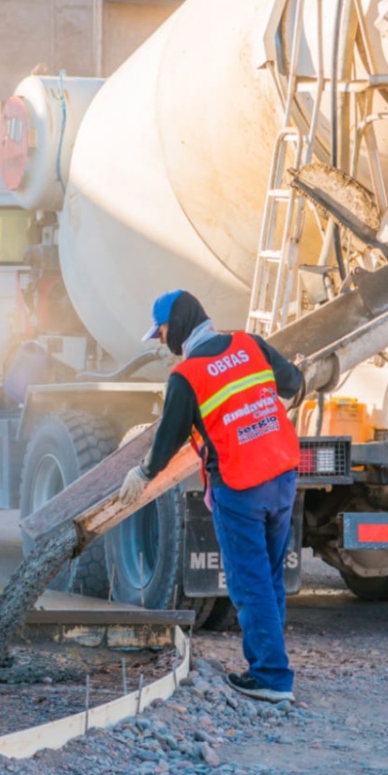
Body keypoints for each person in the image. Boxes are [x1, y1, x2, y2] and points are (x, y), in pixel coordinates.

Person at [118, 289, 303, 704]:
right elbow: (293, 382)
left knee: (250, 582)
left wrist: (143, 472)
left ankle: (272, 677)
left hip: (240, 485)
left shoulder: (187, 376)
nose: (161, 339)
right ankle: (272, 665)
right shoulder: (248, 343)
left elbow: (169, 438)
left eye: (162, 330)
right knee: (270, 576)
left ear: (179, 324)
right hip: (281, 473)